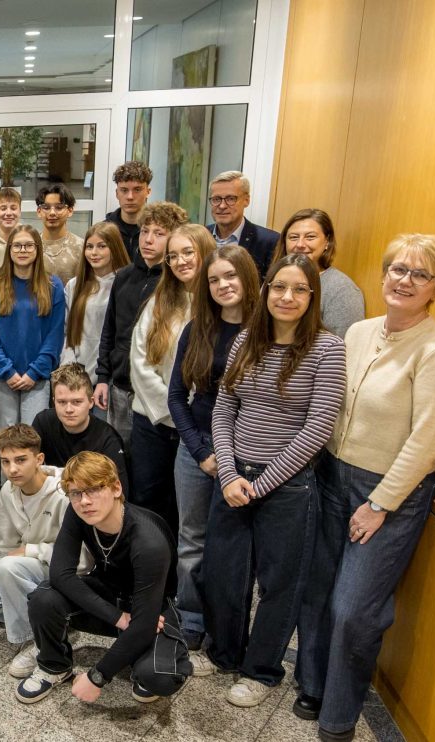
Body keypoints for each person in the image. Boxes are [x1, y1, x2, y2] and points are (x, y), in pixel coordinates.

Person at [295, 235, 435, 741]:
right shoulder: (361, 332)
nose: (403, 279)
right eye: (396, 268)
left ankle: (340, 718)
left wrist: (379, 504)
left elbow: (427, 442)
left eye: (419, 274)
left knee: (353, 610)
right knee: (318, 590)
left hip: (389, 493)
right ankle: (313, 685)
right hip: (331, 475)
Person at [205, 254, 346, 708]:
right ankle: (224, 654)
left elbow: (317, 428)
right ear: (265, 290)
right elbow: (225, 408)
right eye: (279, 286)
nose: (287, 297)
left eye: (299, 289)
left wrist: (262, 484)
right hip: (233, 476)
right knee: (225, 574)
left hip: (285, 487)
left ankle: (260, 670)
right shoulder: (247, 338)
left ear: (312, 296)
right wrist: (228, 472)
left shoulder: (327, 348)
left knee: (279, 583)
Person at [16, 451, 192, 705]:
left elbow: (144, 623)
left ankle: (146, 657)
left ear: (116, 488)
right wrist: (117, 617)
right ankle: (54, 666)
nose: (84, 501)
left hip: (153, 609)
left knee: (159, 678)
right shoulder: (77, 513)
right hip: (110, 596)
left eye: (94, 490)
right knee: (44, 598)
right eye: (76, 493)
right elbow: (60, 574)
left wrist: (97, 676)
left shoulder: (147, 540)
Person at [166, 244, 259, 654]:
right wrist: (201, 451)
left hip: (249, 457)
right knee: (191, 541)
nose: (223, 285)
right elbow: (176, 398)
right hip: (196, 451)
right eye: (215, 280)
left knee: (233, 550)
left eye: (231, 276)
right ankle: (191, 619)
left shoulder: (266, 330)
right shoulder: (197, 328)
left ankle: (227, 627)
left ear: (249, 278)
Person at [0, 424, 89, 677]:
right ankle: (54, 622)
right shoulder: (7, 492)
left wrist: (31, 550)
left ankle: (39, 641)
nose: (12, 469)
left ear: (39, 459)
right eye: (5, 461)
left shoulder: (64, 495)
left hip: (66, 573)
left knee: (10, 566)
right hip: (24, 568)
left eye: (21, 460)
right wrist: (5, 584)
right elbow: (6, 547)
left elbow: (82, 559)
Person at [128, 224, 215, 534]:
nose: (180, 262)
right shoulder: (160, 300)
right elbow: (139, 362)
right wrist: (173, 412)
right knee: (149, 502)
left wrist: (189, 420)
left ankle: (181, 579)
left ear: (206, 252)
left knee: (187, 512)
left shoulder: (221, 304)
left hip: (199, 429)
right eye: (173, 256)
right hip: (153, 422)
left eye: (188, 253)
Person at [94, 201, 187, 445]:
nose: (148, 240)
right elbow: (109, 331)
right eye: (145, 231)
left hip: (156, 391)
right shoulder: (124, 276)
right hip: (120, 386)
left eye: (159, 234)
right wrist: (103, 377)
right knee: (120, 453)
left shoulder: (174, 284)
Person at [0, 225, 66, 426]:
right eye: (17, 246)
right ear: (9, 250)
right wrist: (6, 371)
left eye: (28, 245)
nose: (23, 250)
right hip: (3, 376)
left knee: (33, 432)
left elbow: (55, 336)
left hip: (37, 377)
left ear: (37, 250)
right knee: (7, 434)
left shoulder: (53, 286)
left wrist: (34, 372)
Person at [32, 364, 129, 493]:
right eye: (61, 402)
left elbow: (120, 492)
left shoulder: (108, 439)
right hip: (53, 496)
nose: (69, 409)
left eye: (77, 402)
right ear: (54, 401)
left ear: (91, 402)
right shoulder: (43, 422)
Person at [60, 223, 130, 395]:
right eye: (89, 247)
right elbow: (65, 330)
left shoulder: (125, 284)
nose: (94, 253)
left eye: (101, 246)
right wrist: (70, 369)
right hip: (77, 373)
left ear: (114, 248)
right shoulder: (74, 285)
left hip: (110, 378)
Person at [272, 208, 365, 337]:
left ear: (327, 241)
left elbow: (346, 345)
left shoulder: (342, 289)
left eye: (310, 237)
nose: (300, 244)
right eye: (293, 237)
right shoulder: (273, 279)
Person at [205, 171, 280, 270]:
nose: (222, 206)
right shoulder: (200, 236)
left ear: (246, 200)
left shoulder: (269, 242)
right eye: (216, 199)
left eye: (231, 199)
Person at [37, 183, 84, 284]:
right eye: (46, 207)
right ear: (39, 211)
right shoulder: (31, 245)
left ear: (70, 211)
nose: (52, 213)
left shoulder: (81, 246)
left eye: (59, 207)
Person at [105, 161, 153, 254]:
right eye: (124, 190)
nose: (130, 197)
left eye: (137, 190)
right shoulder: (105, 230)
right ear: (117, 193)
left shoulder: (160, 231)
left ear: (148, 192)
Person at [0, 187, 23, 265]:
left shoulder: (29, 238)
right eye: (3, 208)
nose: (8, 213)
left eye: (13, 208)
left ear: (20, 212)